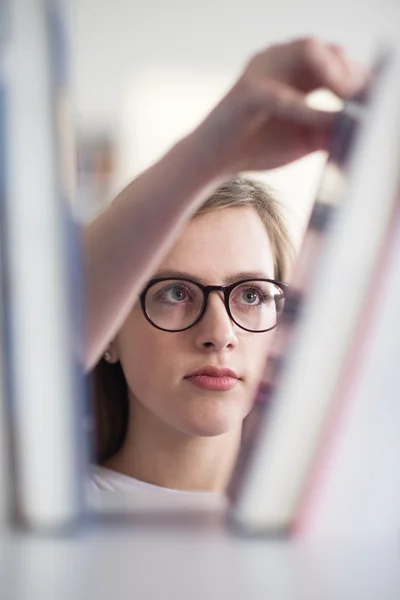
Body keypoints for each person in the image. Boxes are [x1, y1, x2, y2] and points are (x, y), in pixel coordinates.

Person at [85, 38, 367, 496]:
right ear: (109, 331)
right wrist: (206, 155)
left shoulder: (329, 512)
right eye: (175, 293)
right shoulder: (29, 509)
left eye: (252, 294)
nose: (220, 333)